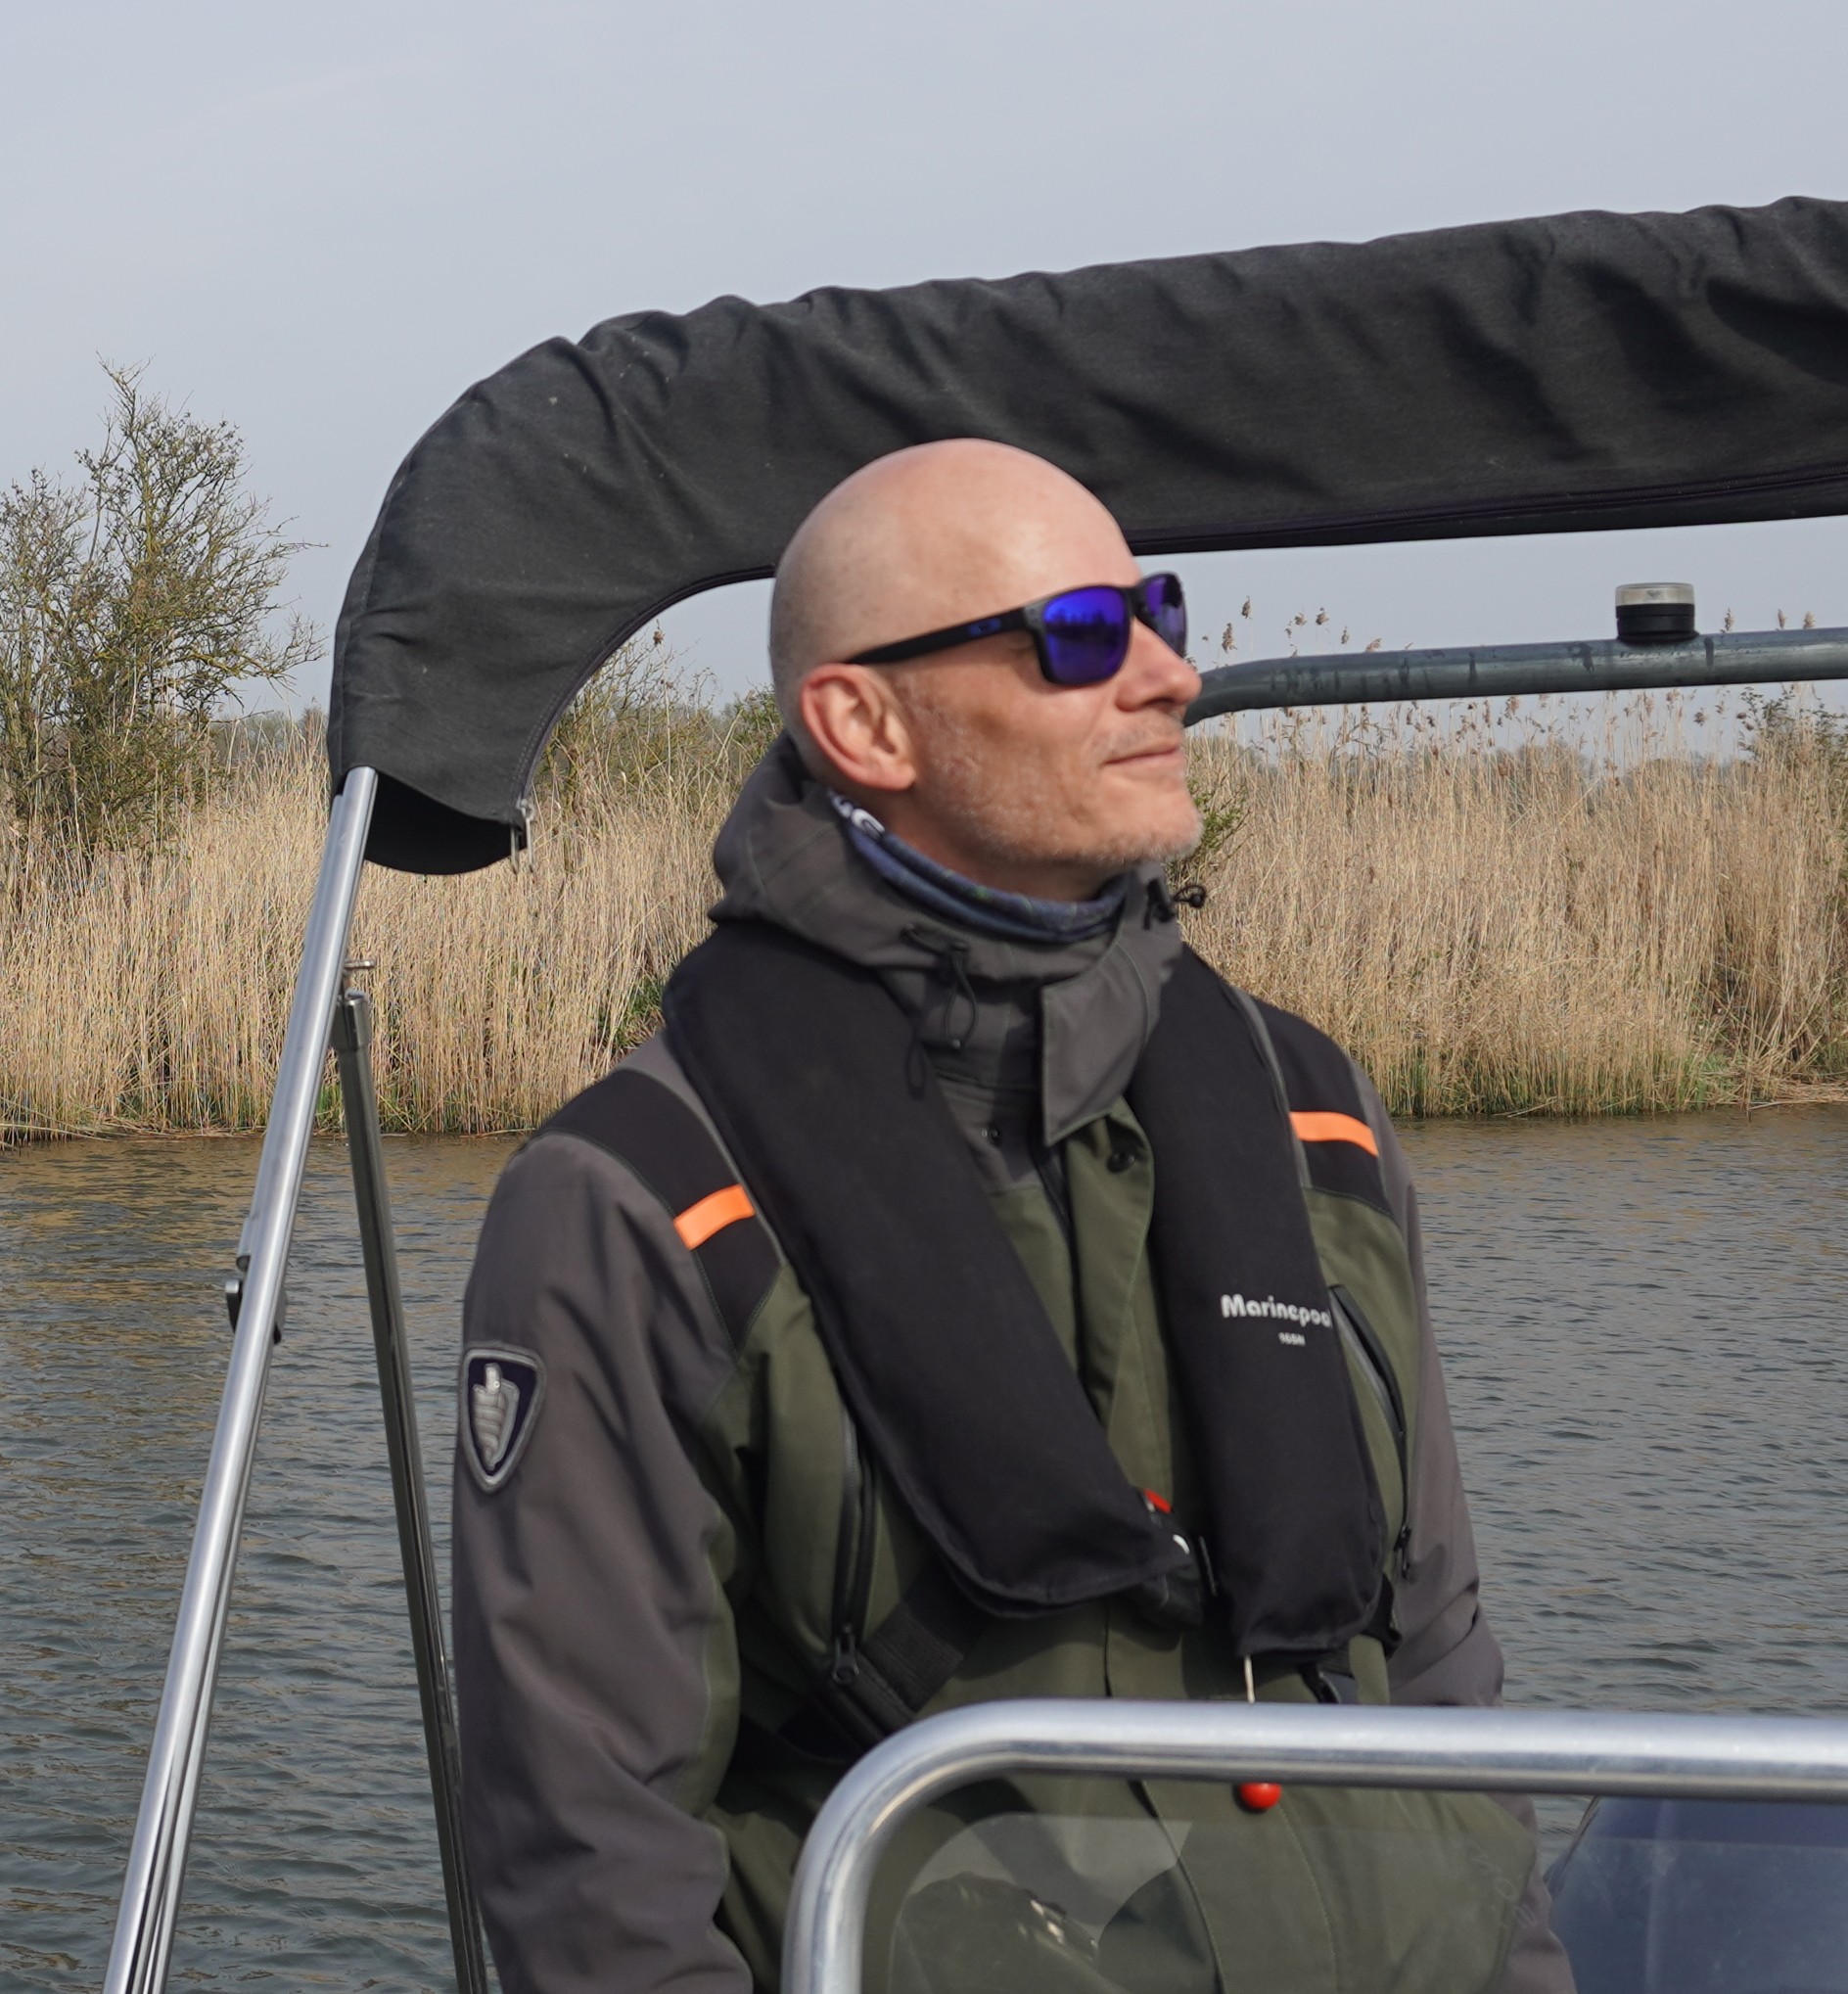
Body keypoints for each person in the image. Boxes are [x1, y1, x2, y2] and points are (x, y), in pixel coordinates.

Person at [452, 440, 1574, 1994]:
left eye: (1158, 613)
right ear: (864, 723)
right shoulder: (633, 1201)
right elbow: (594, 1869)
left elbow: (1440, 1660)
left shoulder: (1313, 1110)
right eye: (1081, 636)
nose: (1173, 676)